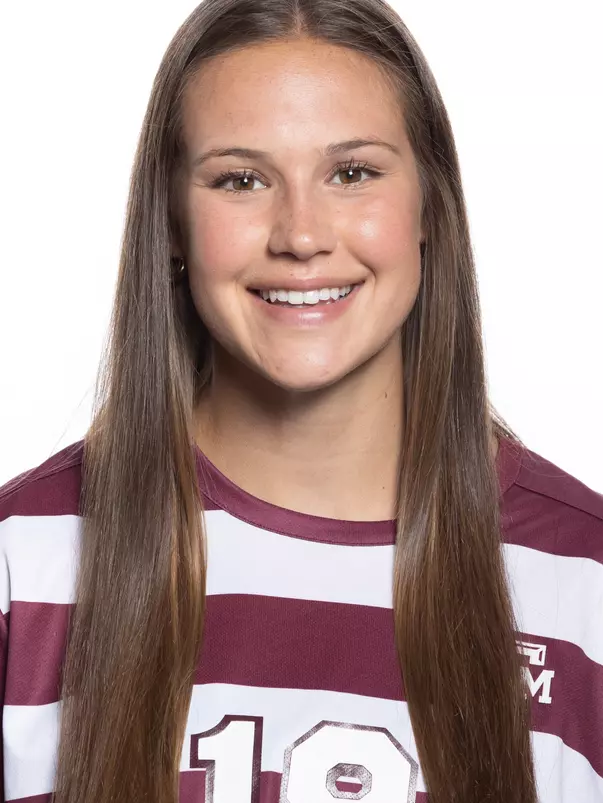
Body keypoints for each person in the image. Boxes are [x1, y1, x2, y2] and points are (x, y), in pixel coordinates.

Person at [0, 0, 602, 801]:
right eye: (240, 179)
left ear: (430, 205)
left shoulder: (581, 578)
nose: (301, 234)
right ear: (172, 221)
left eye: (351, 173)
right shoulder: (26, 562)